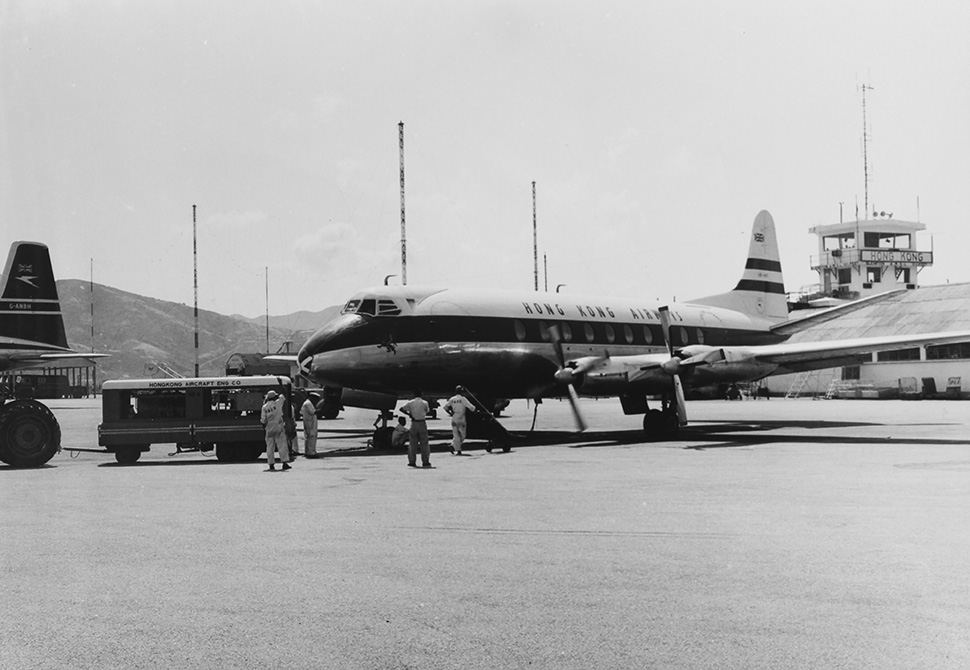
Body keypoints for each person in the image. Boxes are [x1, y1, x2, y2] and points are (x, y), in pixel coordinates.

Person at [260, 390, 291, 471]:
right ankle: (284, 463)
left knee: (270, 447)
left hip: (269, 428)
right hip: (278, 427)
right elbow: (283, 396)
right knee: (282, 445)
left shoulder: (264, 407)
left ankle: (271, 465)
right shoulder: (278, 403)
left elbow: (263, 420)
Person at [400, 390, 431, 468]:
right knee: (424, 443)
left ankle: (412, 461)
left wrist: (409, 414)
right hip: (422, 423)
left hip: (414, 423)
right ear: (421, 394)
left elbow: (401, 408)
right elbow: (427, 411)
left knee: (412, 443)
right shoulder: (425, 403)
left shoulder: (410, 403)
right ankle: (425, 461)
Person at [444, 385, 475, 455]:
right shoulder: (463, 399)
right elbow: (471, 407)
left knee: (456, 435)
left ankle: (456, 448)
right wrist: (475, 410)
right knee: (463, 435)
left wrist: (451, 413)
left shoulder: (452, 399)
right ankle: (454, 447)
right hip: (461, 418)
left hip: (454, 417)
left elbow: (445, 407)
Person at [301, 392, 319, 458]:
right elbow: (313, 412)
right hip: (310, 423)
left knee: (308, 438)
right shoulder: (308, 403)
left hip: (308, 422)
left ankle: (308, 451)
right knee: (312, 437)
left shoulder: (306, 403)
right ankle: (311, 453)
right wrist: (321, 410)